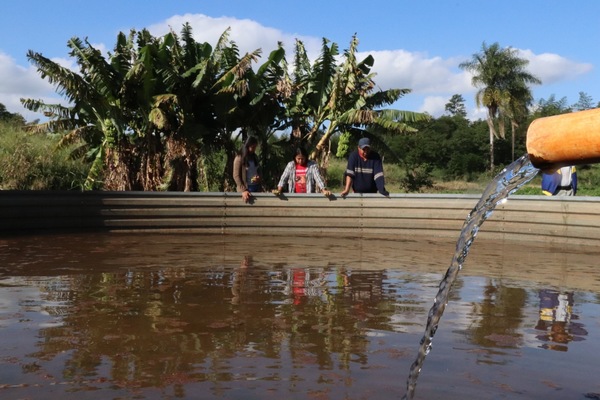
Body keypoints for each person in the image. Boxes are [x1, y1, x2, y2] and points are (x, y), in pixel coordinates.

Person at [233, 136, 262, 203]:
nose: (254, 149)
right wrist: (243, 190)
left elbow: (259, 170)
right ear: (247, 146)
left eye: (255, 147)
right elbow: (236, 175)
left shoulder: (255, 157)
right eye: (252, 147)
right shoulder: (239, 158)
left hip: (256, 187)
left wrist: (259, 177)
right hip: (246, 189)